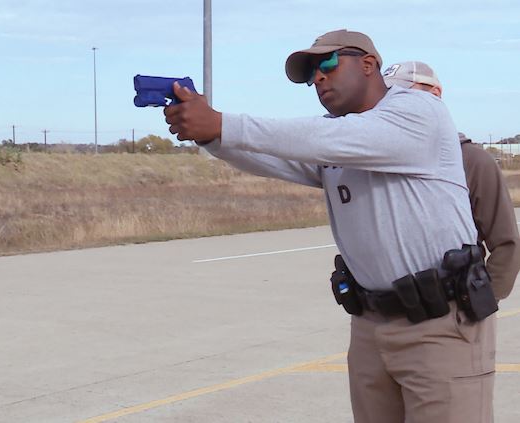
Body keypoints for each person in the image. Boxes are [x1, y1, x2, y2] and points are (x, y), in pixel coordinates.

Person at [164, 29, 498, 422]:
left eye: (327, 64)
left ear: (369, 64)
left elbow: (330, 138)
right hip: (371, 325)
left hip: (440, 326)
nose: (318, 79)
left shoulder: (418, 111)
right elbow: (275, 154)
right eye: (311, 76)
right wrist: (211, 135)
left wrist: (222, 121)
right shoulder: (337, 138)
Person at [383, 60, 520, 301]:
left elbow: (507, 243)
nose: (392, 104)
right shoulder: (385, 160)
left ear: (434, 94)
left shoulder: (471, 160)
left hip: (453, 312)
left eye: (403, 94)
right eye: (386, 96)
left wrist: (483, 301)